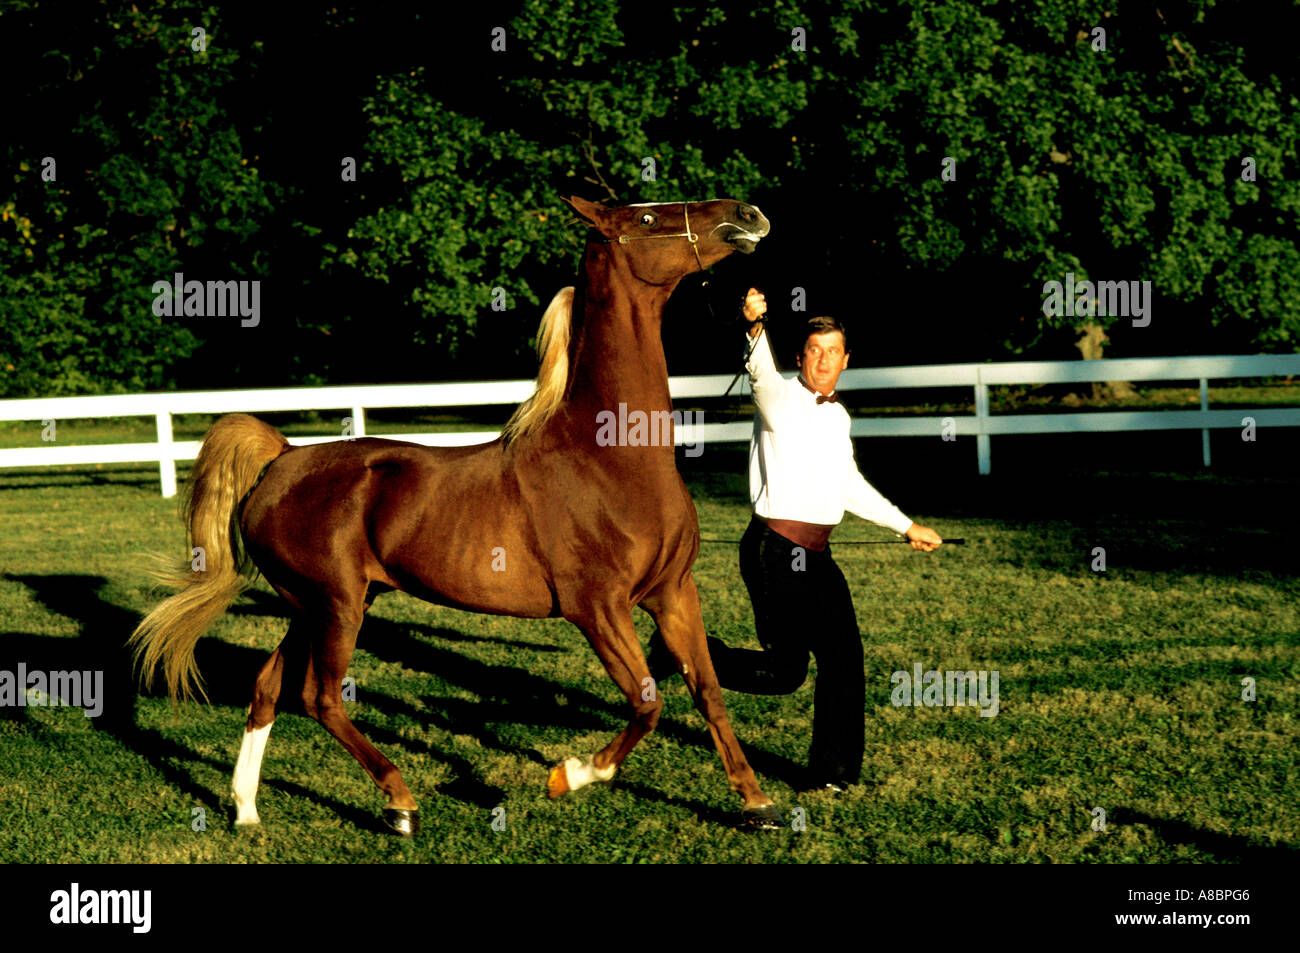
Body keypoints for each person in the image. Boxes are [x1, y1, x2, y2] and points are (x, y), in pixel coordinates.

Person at [650, 287, 943, 793]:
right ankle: (682, 649)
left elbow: (847, 483)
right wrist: (754, 325)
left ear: (846, 361)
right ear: (802, 355)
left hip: (817, 555)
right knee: (785, 674)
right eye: (814, 350)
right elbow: (760, 370)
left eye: (833, 351)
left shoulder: (837, 415)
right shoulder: (779, 397)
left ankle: (832, 775)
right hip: (775, 551)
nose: (824, 359)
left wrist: (906, 525)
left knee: (845, 660)